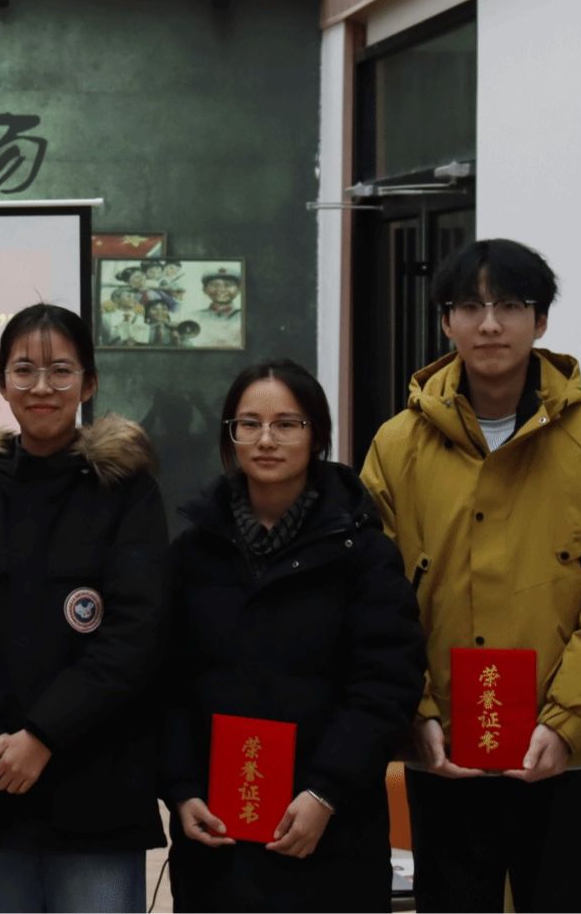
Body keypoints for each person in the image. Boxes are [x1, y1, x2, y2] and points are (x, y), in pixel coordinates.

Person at [362, 239, 581, 912]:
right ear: (446, 322)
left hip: (565, 747)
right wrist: (417, 712)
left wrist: (566, 721)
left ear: (540, 320)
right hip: (446, 746)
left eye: (510, 306)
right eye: (470, 306)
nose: (489, 324)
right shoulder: (397, 444)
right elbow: (376, 598)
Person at [160, 360, 424, 912]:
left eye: (286, 424)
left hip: (331, 830)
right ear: (230, 435)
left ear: (317, 435)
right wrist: (182, 790)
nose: (266, 440)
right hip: (218, 834)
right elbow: (166, 684)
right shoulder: (192, 552)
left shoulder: (363, 552)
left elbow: (386, 685)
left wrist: (325, 791)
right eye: (249, 424)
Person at [0, 302, 167, 912]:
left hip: (96, 779)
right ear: (1, 384)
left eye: (60, 370)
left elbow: (135, 632)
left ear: (88, 384)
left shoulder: (126, 488)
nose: (42, 387)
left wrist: (42, 735)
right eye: (24, 370)